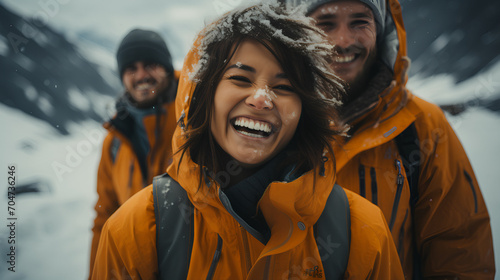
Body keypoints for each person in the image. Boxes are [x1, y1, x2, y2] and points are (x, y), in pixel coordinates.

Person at [91, 3, 404, 279]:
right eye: (240, 79)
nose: (261, 98)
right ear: (204, 96)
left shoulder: (363, 233)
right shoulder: (131, 233)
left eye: (285, 86)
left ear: (305, 110)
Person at [283, 0, 496, 278]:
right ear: (295, 32)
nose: (343, 41)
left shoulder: (423, 126)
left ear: (382, 30)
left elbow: (461, 253)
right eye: (325, 23)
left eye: (360, 21)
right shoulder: (266, 122)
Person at [88, 28, 178, 277]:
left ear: (168, 69)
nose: (141, 75)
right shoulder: (114, 141)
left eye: (150, 64)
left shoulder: (195, 116)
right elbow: (105, 216)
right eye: (131, 68)